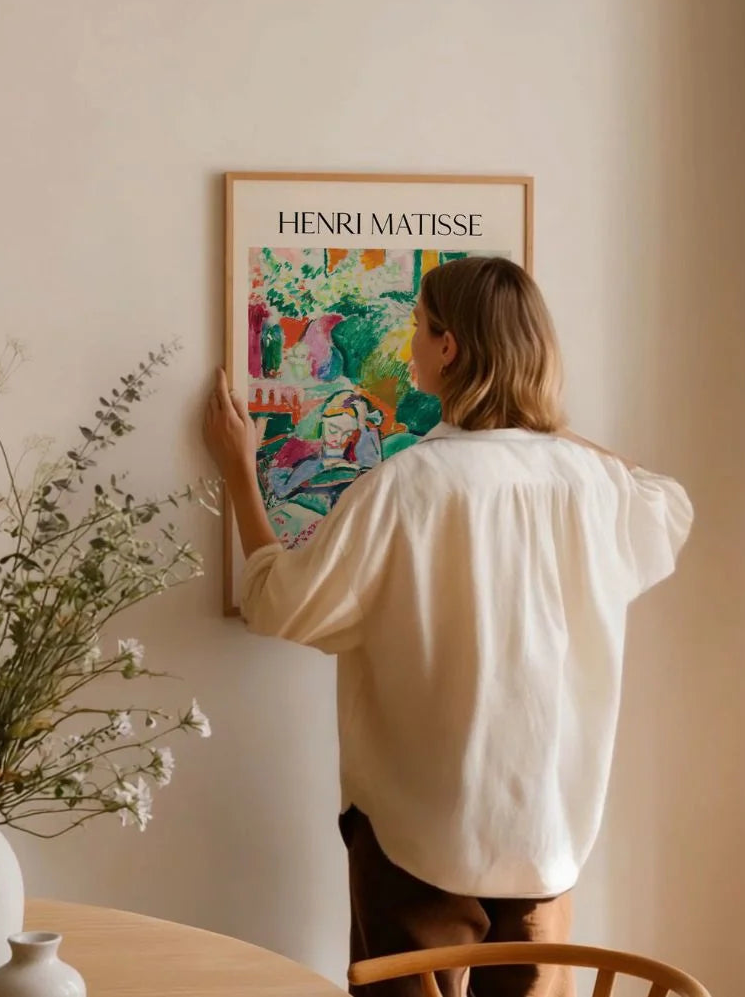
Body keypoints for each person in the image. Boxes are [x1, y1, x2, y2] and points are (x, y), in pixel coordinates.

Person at [203, 256, 693, 997]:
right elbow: (667, 503)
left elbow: (280, 601)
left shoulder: (406, 485)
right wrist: (549, 436)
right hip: (543, 838)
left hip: (412, 835)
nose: (408, 341)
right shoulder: (592, 485)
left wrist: (240, 471)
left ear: (449, 347)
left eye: (417, 326)